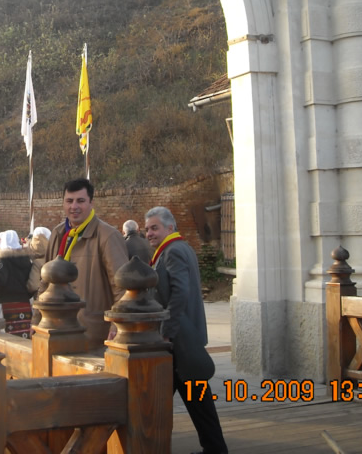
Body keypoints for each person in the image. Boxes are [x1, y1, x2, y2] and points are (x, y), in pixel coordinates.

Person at [144, 206, 228, 454]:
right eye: (147, 229)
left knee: (187, 398)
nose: (149, 233)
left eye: (154, 228)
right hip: (182, 339)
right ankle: (214, 448)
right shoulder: (176, 248)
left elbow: (180, 293)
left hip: (179, 339)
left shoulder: (173, 251)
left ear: (170, 227)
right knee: (187, 398)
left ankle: (214, 448)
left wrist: (166, 332)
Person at [38, 178, 130, 348]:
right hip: (56, 329)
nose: (74, 206)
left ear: (91, 203)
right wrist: (36, 319)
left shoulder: (107, 236)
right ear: (63, 203)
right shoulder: (58, 234)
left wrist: (117, 324)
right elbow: (45, 282)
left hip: (93, 333)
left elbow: (122, 288)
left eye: (80, 201)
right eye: (69, 201)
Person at [0, 229, 33, 338]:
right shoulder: (26, 260)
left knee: (6, 338)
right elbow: (30, 280)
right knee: (24, 337)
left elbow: (0, 281)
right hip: (24, 301)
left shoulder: (2, 260)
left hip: (6, 302)